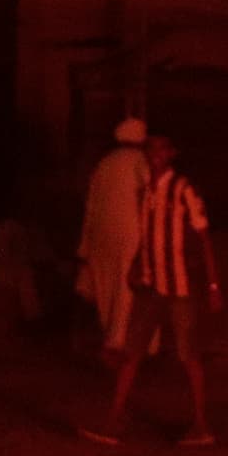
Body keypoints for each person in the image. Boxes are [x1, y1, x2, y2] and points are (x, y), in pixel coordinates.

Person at [81, 130, 220, 445]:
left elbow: (203, 237)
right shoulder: (145, 192)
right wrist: (135, 266)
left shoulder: (183, 189)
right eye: (151, 148)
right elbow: (147, 237)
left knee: (188, 355)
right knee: (132, 352)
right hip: (151, 285)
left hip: (180, 286)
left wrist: (213, 284)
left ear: (171, 153)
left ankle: (201, 423)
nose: (155, 154)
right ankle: (113, 420)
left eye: (161, 149)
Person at [77, 116, 150, 357]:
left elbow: (91, 206)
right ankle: (118, 346)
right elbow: (148, 200)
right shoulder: (141, 162)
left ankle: (112, 339)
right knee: (127, 293)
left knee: (108, 292)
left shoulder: (104, 164)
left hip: (101, 238)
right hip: (132, 238)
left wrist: (85, 247)